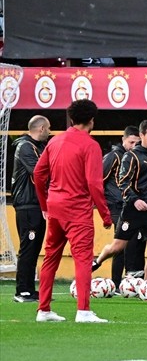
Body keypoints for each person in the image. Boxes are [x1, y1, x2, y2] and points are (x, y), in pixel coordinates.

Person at [31, 99, 112, 322]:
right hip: (77, 210)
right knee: (83, 260)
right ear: (92, 120)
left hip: (55, 208)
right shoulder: (90, 145)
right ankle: (83, 311)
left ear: (72, 119)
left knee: (50, 258)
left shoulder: (55, 141)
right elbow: (94, 183)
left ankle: (44, 310)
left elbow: (38, 174)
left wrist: (44, 204)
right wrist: (105, 214)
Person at [91, 120, 147, 282]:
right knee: (118, 247)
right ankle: (98, 260)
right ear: (142, 136)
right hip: (133, 210)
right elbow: (122, 182)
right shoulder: (130, 156)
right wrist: (135, 200)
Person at [10, 115, 50, 303]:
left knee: (34, 248)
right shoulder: (25, 147)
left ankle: (29, 288)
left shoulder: (39, 147)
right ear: (41, 129)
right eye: (48, 129)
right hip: (27, 205)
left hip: (37, 204)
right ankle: (22, 291)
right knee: (28, 247)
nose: (49, 133)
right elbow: (39, 172)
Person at [100, 126, 139, 284]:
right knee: (122, 242)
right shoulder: (114, 156)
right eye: (131, 142)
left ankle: (124, 280)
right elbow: (99, 180)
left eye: (137, 143)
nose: (134, 146)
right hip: (116, 205)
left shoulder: (134, 157)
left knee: (130, 241)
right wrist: (104, 209)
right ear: (124, 140)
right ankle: (117, 281)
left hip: (129, 205)